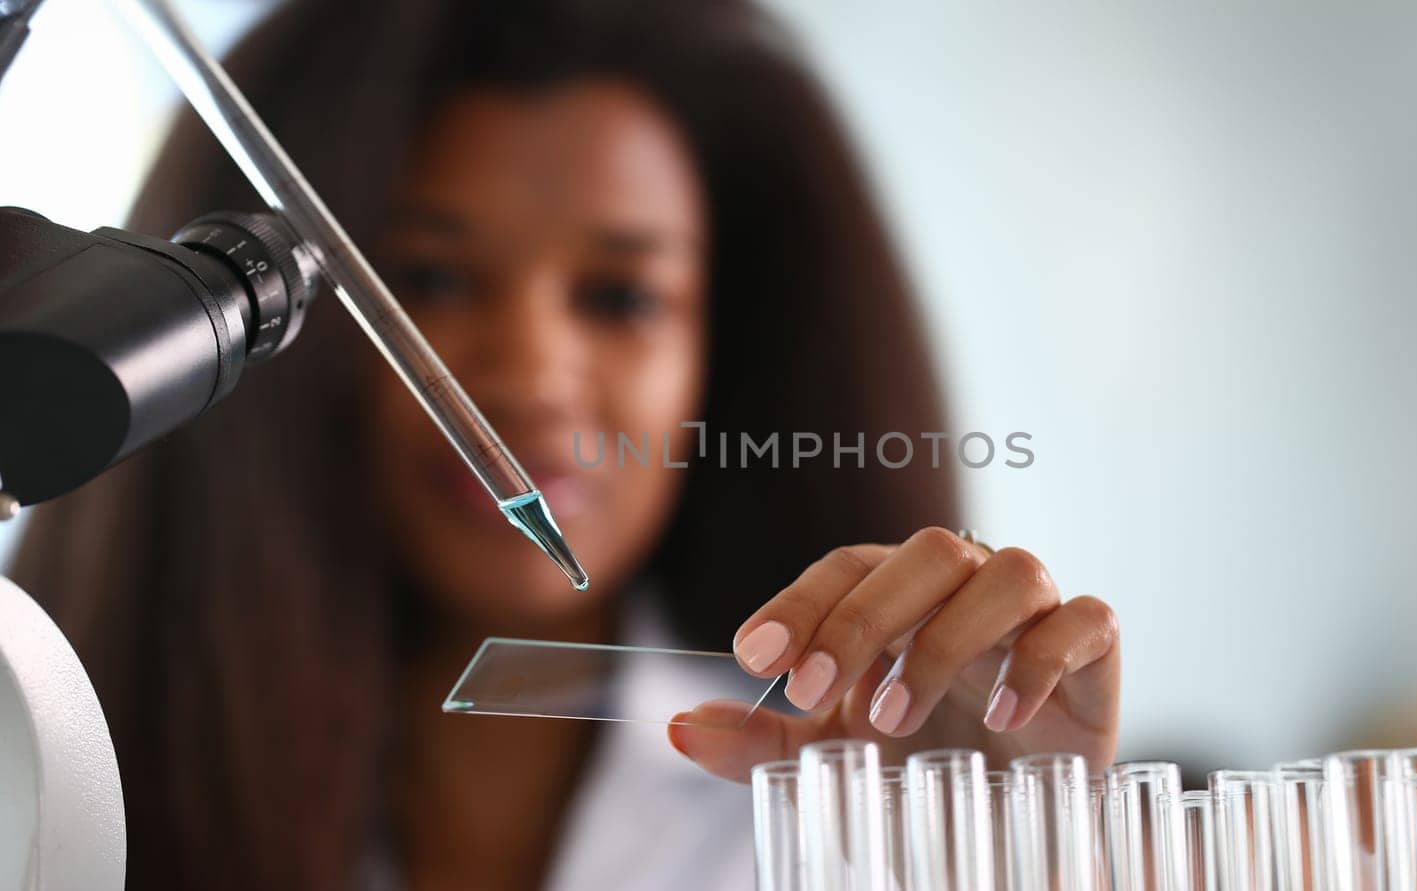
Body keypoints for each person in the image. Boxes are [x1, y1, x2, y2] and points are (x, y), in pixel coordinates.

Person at [12, 1, 1120, 888]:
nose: (531, 379)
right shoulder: (48, 766)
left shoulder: (844, 810)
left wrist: (1015, 852)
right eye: (433, 280)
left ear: (725, 352)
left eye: (620, 296)